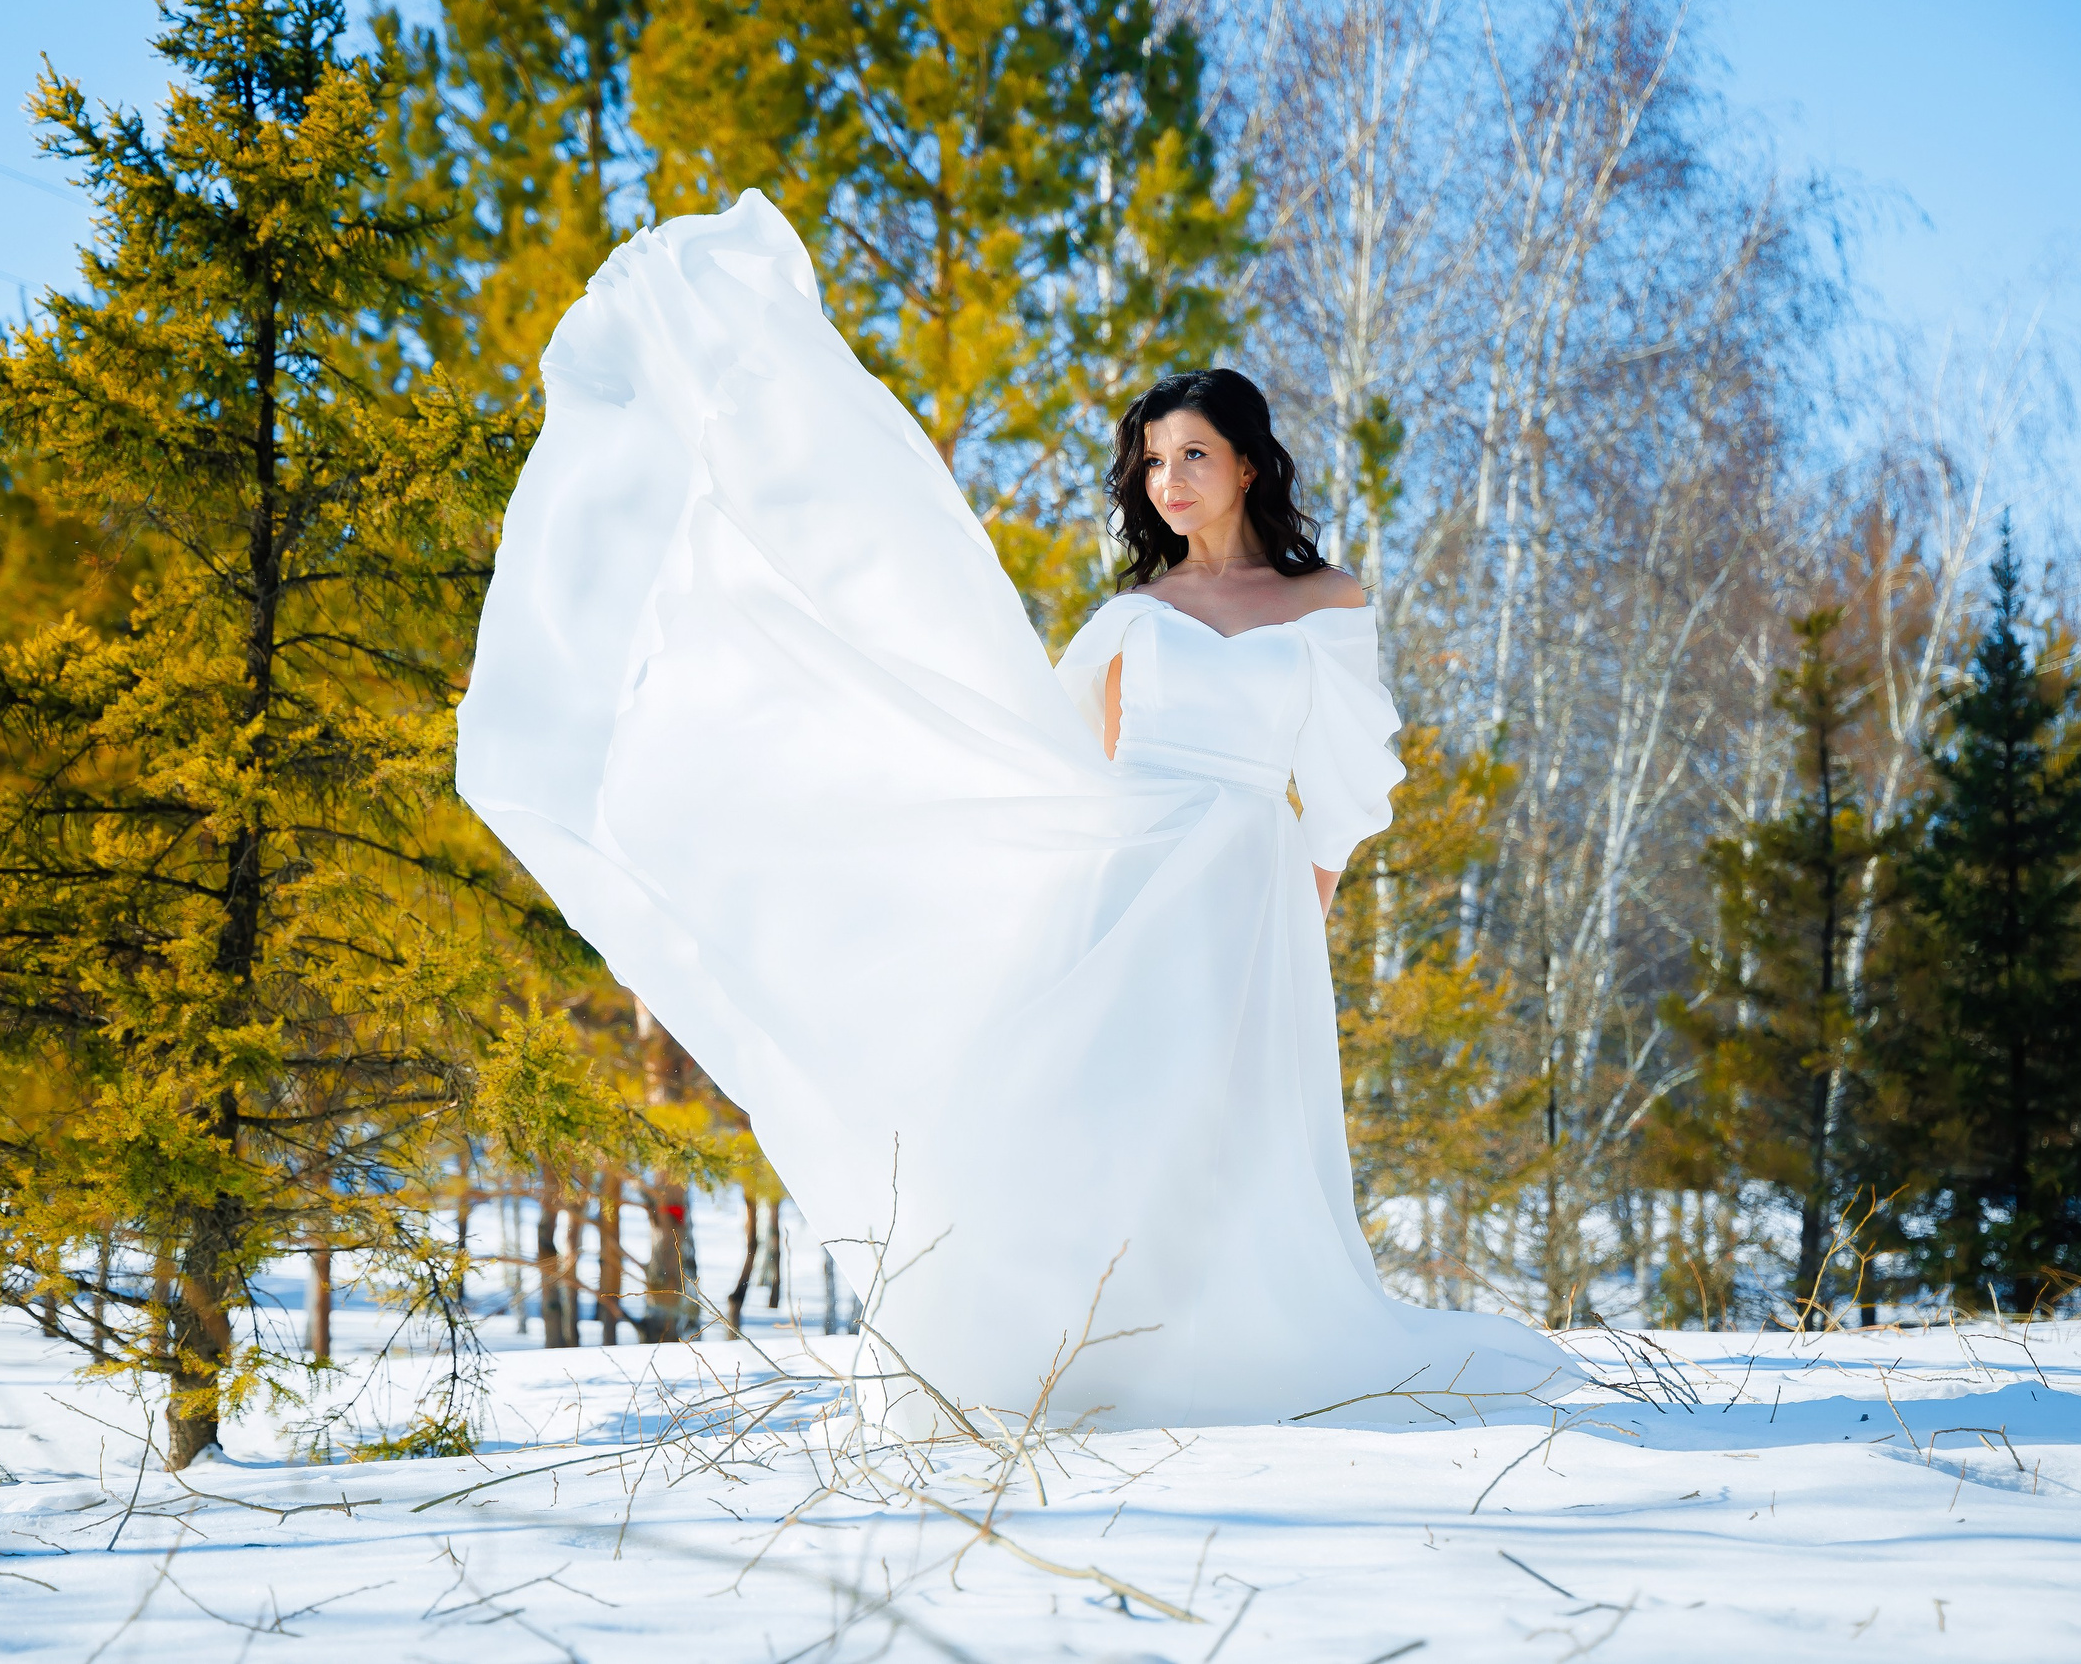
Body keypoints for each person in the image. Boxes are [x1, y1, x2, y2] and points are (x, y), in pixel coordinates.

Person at [456, 191, 1576, 1434]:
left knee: (1228, 1135)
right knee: (1088, 1115)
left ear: (1250, 461)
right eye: (1151, 463)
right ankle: (1056, 1351)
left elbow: (1345, 782)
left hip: (1252, 896)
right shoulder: (1129, 622)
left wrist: (1298, 918)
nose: (1168, 482)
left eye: (1192, 455)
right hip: (1132, 886)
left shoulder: (1326, 603)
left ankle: (1219, 1350)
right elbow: (1068, 772)